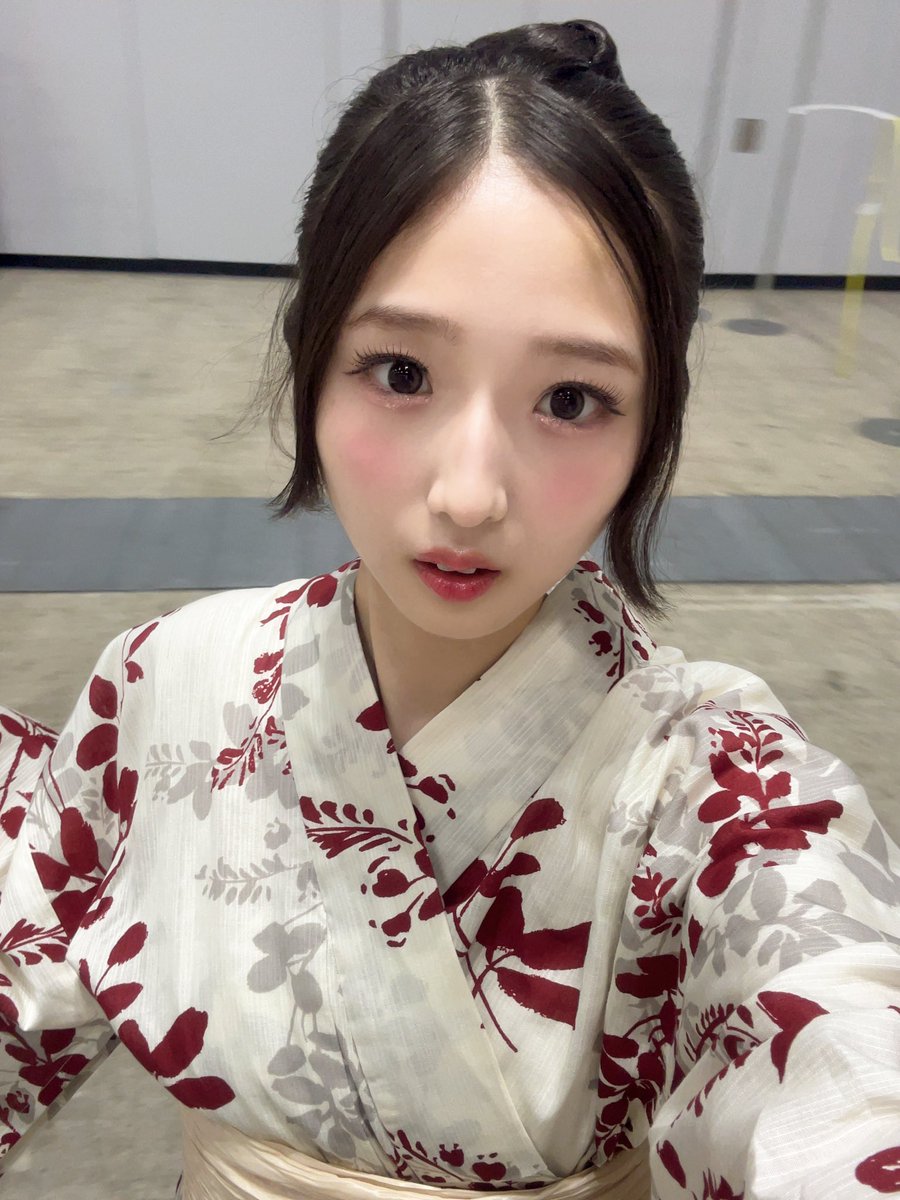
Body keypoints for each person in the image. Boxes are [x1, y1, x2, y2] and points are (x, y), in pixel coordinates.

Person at [1, 17, 898, 1200]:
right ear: (312, 362)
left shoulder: (718, 792)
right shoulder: (166, 685)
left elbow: (838, 1045)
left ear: (653, 423)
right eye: (402, 373)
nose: (470, 494)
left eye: (570, 398)